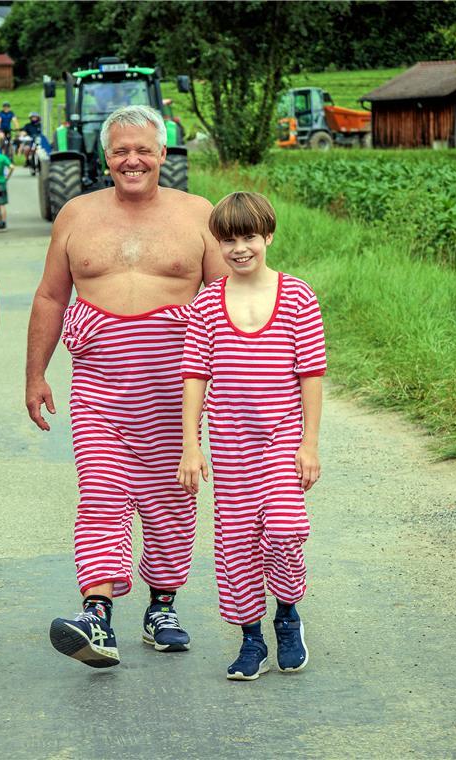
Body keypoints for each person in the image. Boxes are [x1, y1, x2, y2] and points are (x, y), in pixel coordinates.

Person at [25, 105, 226, 668]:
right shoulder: (75, 214)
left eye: (143, 150)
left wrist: (240, 385)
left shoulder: (198, 215)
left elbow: (226, 304)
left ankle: (162, 606)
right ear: (104, 156)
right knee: (102, 497)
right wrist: (35, 374)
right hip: (98, 389)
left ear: (164, 154)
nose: (132, 160)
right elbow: (49, 297)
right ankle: (98, 616)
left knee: (171, 503)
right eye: (120, 151)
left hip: (175, 391)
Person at [177, 191, 326, 680]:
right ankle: (251, 640)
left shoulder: (297, 295)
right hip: (230, 445)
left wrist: (310, 443)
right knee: (236, 543)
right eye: (228, 240)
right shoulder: (206, 303)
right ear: (217, 243)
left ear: (268, 237)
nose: (239, 248)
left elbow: (312, 375)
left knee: (285, 528)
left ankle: (287, 615)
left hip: (282, 438)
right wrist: (191, 446)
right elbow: (195, 375)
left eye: (249, 237)